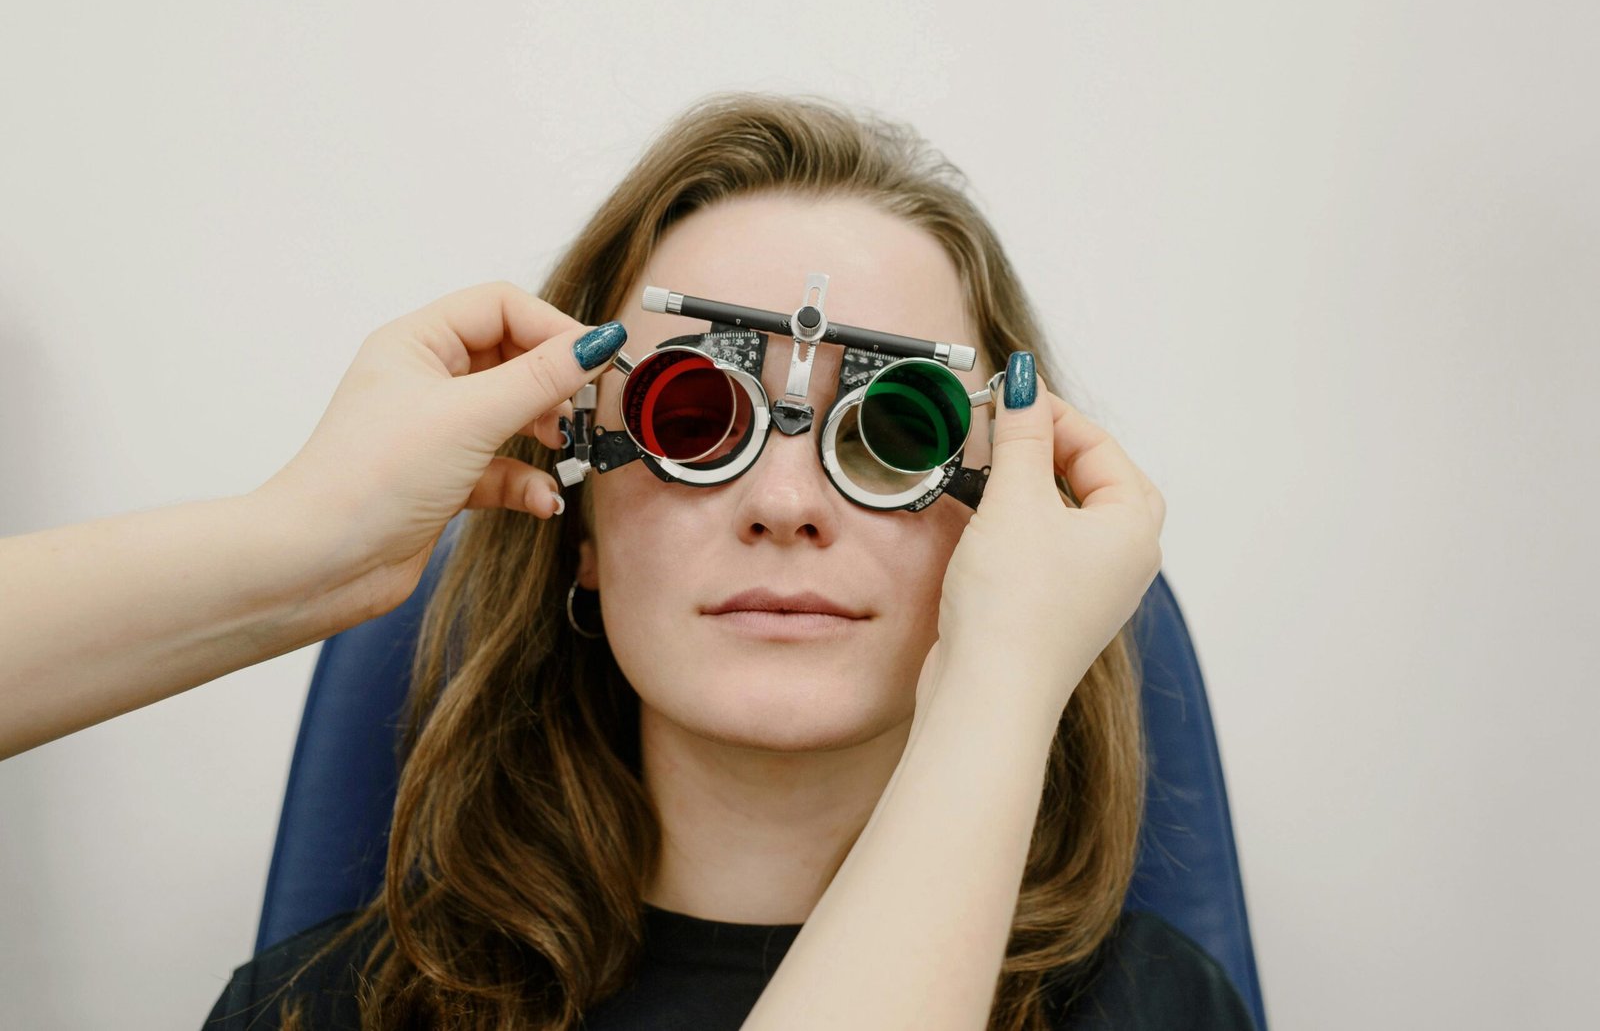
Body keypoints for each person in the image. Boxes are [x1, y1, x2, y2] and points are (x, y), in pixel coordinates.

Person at [0, 92, 1250, 1029]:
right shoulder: (328, 1011)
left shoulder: (1156, 1012)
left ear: (999, 523)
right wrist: (301, 542)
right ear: (577, 523)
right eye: (694, 417)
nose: (782, 502)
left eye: (896, 431)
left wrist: (1005, 679)